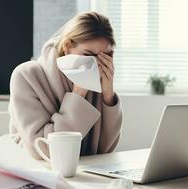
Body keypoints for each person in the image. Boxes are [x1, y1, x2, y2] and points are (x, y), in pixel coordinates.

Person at [8, 11, 122, 159]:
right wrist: (78, 95)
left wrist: (108, 95)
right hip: (34, 172)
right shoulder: (26, 76)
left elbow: (104, 150)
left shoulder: (97, 82)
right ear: (68, 45)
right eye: (88, 55)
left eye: (104, 57)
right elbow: (46, 150)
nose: (96, 64)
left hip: (83, 173)